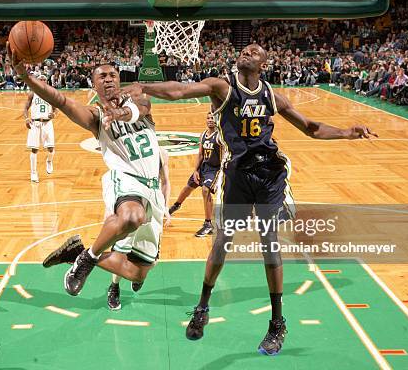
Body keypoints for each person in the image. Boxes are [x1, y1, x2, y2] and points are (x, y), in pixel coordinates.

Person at [124, 44, 377, 355]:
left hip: (270, 174)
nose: (247, 51)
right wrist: (144, 85)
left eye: (254, 50)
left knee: (269, 242)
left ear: (263, 64)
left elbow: (311, 128)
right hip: (238, 175)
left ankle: (277, 323)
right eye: (244, 49)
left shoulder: (272, 95)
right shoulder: (222, 86)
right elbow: (180, 91)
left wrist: (346, 132)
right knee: (222, 242)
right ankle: (202, 306)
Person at [7, 43, 169, 300]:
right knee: (131, 217)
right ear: (94, 85)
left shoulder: (139, 101)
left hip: (152, 188)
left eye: (112, 75)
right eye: (101, 76)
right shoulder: (94, 117)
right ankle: (88, 258)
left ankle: (76, 253)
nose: (108, 79)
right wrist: (25, 76)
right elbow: (59, 100)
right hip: (126, 180)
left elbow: (141, 108)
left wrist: (121, 113)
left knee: (138, 273)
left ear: (120, 79)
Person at [107, 147, 171, 310]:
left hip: (153, 204)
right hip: (133, 201)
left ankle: (139, 275)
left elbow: (165, 182)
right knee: (121, 251)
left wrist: (165, 207)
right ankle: (114, 287)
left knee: (153, 259)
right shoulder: (126, 151)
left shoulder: (162, 153)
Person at [169, 111, 221, 237]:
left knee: (205, 190)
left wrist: (222, 173)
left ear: (217, 120)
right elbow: (200, 155)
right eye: (208, 118)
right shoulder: (203, 134)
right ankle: (175, 206)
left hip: (215, 169)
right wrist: (195, 170)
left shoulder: (220, 136)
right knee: (188, 187)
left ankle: (208, 224)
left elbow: (224, 156)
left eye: (212, 118)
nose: (210, 120)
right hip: (203, 168)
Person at [23, 74, 56, 183]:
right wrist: (26, 118)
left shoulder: (50, 94)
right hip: (35, 123)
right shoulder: (32, 93)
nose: (42, 81)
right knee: (34, 149)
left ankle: (49, 161)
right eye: (40, 80)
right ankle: (33, 173)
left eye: (44, 80)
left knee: (51, 149)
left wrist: (54, 113)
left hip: (47, 123)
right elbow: (25, 108)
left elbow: (56, 108)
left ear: (46, 82)